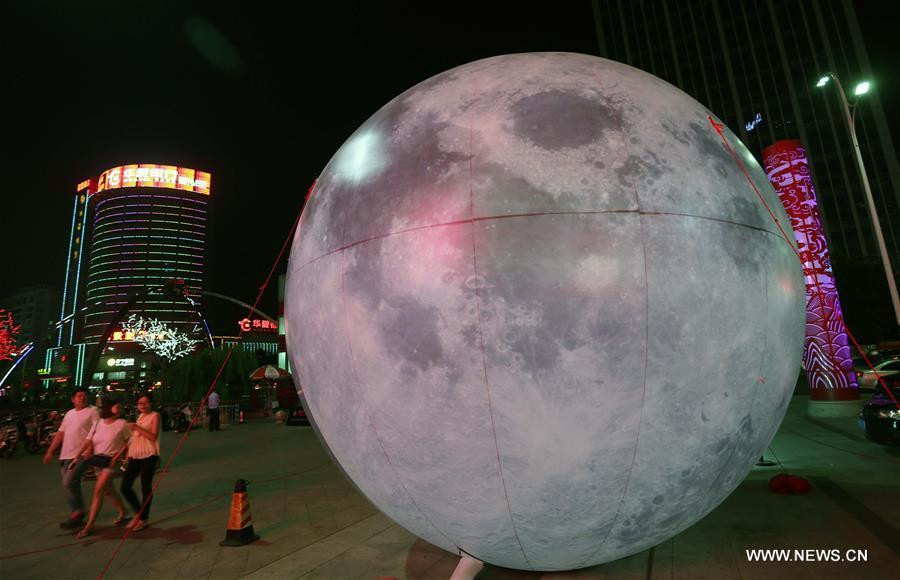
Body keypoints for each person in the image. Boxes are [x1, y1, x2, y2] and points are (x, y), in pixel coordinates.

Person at [43, 387, 99, 529]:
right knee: (69, 485)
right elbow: (61, 433)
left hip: (81, 455)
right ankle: (77, 514)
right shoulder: (69, 414)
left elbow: (96, 431)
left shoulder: (93, 411)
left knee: (69, 482)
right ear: (73, 399)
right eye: (79, 396)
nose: (82, 398)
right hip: (65, 455)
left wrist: (90, 449)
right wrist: (50, 451)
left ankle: (78, 511)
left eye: (85, 395)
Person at [74, 399, 131, 538]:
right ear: (109, 408)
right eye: (117, 406)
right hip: (98, 461)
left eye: (120, 407)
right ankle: (123, 511)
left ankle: (89, 526)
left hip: (111, 462)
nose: (120, 409)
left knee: (98, 491)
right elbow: (90, 440)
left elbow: (128, 443)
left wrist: (118, 457)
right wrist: (82, 453)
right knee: (108, 491)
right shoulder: (98, 423)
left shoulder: (122, 424)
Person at [121, 393, 161, 532]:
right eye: (140, 403)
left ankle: (143, 519)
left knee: (146, 487)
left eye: (145, 402)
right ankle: (139, 513)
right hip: (135, 455)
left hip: (149, 455)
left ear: (151, 404)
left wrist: (136, 428)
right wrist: (127, 455)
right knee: (125, 487)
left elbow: (153, 436)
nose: (142, 405)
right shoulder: (140, 417)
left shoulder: (155, 416)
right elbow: (134, 439)